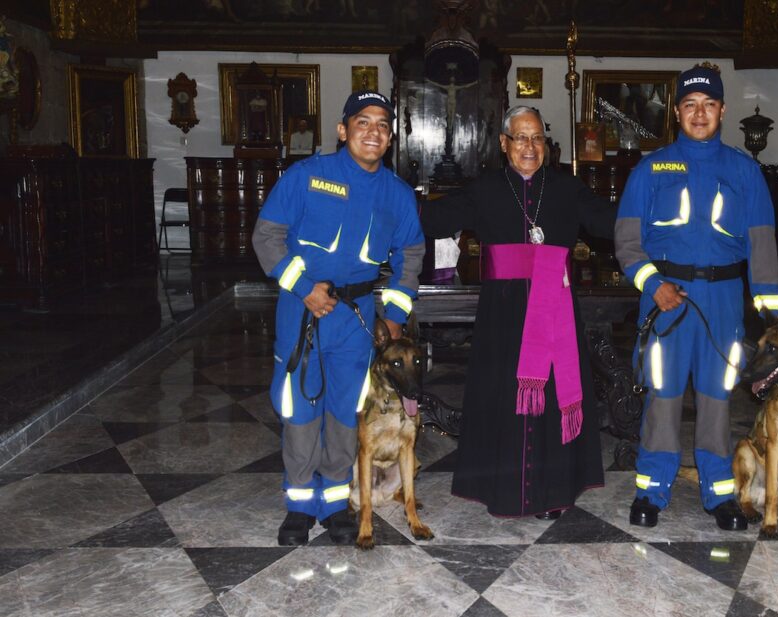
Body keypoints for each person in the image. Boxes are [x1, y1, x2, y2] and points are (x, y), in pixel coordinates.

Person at [614, 63, 778, 531]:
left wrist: (773, 317)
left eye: (708, 105)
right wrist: (654, 285)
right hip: (666, 299)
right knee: (663, 396)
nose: (699, 113)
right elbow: (628, 243)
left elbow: (762, 246)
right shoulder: (652, 169)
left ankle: (719, 493)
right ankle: (651, 490)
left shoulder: (745, 172)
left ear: (722, 110)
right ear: (676, 112)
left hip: (724, 299)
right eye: (690, 105)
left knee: (716, 398)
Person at [421, 106, 615, 519]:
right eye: (521, 138)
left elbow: (609, 222)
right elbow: (432, 217)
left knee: (548, 399)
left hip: (556, 309)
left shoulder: (566, 187)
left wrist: (650, 208)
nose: (530, 146)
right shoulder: (486, 188)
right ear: (504, 143)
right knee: (505, 399)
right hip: (503, 315)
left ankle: (551, 493)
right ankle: (502, 490)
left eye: (538, 138)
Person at [252, 90, 425, 546]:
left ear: (390, 138)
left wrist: (394, 313)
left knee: (346, 413)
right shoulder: (307, 177)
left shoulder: (398, 194)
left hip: (357, 317)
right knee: (300, 410)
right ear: (343, 130)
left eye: (383, 125)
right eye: (363, 122)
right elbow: (267, 236)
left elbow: (410, 255)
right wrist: (304, 287)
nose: (374, 131)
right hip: (303, 309)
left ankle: (334, 504)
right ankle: (299, 505)